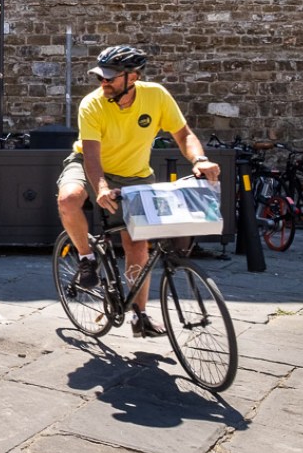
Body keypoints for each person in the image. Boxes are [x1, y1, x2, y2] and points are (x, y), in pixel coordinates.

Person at [56, 44, 221, 338]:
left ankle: (140, 316)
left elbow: (183, 135)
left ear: (132, 77)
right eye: (101, 77)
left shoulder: (156, 96)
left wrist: (200, 159)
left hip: (135, 174)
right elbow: (92, 157)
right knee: (69, 199)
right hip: (90, 165)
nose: (103, 83)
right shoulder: (92, 104)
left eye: (110, 77)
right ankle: (86, 258)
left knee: (137, 244)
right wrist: (102, 186)